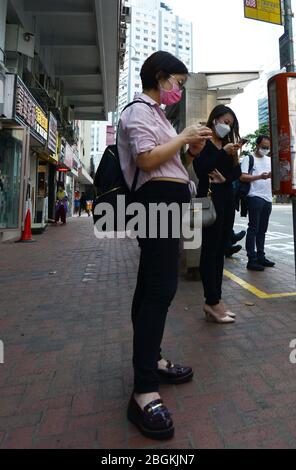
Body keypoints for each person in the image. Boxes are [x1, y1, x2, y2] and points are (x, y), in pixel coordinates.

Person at [117, 50, 212, 440]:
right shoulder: (139, 111)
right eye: (176, 83)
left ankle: (151, 361)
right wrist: (183, 138)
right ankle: (143, 391)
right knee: (159, 289)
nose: (178, 90)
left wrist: (190, 151)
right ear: (159, 77)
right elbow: (145, 160)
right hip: (155, 204)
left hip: (168, 203)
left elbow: (172, 166)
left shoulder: (157, 115)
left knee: (151, 289)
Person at [192, 105, 242, 324]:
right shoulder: (204, 140)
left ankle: (216, 300)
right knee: (210, 251)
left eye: (230, 123)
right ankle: (211, 301)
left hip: (227, 201)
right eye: (224, 120)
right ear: (214, 119)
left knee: (220, 250)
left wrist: (227, 176)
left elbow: (236, 173)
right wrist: (222, 153)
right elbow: (201, 168)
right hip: (210, 201)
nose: (226, 125)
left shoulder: (228, 145)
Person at [240, 135, 275, 271]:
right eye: (264, 147)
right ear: (257, 145)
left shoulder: (270, 160)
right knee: (253, 228)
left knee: (262, 230)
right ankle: (251, 259)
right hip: (254, 197)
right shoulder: (249, 159)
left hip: (267, 198)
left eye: (268, 148)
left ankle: (261, 256)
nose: (265, 149)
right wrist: (260, 176)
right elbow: (242, 176)